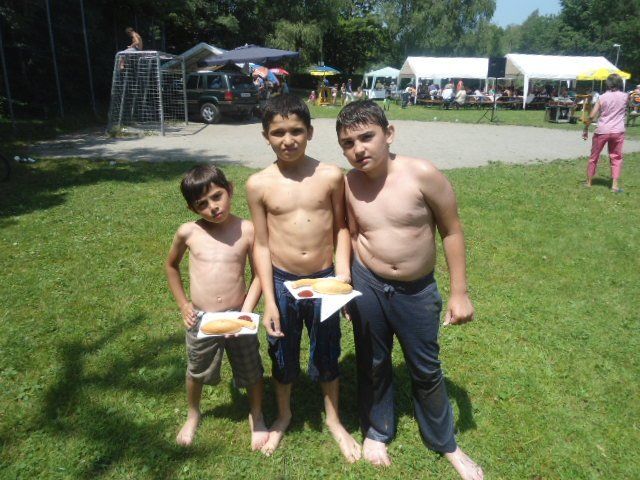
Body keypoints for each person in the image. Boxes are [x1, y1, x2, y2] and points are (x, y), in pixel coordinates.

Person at [336, 100, 484, 480]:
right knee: (372, 361)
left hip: (416, 290)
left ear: (389, 133)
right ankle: (377, 430)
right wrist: (346, 281)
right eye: (348, 143)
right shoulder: (349, 183)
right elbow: (351, 232)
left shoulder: (422, 174)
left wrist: (460, 292)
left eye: (366, 137)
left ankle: (445, 442)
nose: (359, 149)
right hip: (368, 282)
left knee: (426, 367)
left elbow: (451, 230)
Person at [246, 94, 362, 462]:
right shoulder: (258, 184)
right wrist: (269, 301)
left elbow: (341, 228)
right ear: (266, 136)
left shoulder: (330, 176)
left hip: (325, 279)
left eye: (296, 131)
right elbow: (261, 244)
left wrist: (342, 276)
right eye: (278, 133)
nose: (288, 140)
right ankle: (284, 414)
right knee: (281, 352)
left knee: (328, 348)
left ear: (310, 132)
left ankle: (334, 419)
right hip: (282, 283)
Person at [165, 164, 268, 450]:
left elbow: (260, 274)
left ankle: (257, 414)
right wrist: (183, 304)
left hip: (239, 314)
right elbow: (171, 266)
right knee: (196, 369)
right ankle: (193, 414)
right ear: (192, 208)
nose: (213, 207)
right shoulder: (188, 232)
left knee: (251, 369)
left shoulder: (247, 229)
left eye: (217, 196)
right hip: (201, 318)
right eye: (202, 204)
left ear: (230, 190)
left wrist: (246, 312)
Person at [582, 73, 628, 193]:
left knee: (594, 157)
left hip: (602, 130)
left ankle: (589, 182)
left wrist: (586, 128)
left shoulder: (602, 97)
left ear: (608, 84)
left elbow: (592, 115)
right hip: (618, 131)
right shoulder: (625, 96)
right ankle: (614, 186)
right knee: (616, 157)